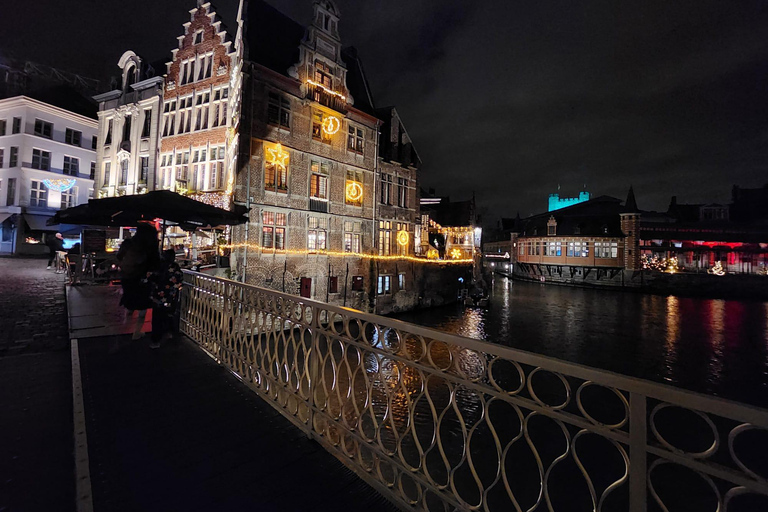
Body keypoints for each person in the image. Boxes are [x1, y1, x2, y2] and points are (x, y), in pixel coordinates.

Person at [117, 224, 160, 340]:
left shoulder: (128, 243)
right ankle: (137, 332)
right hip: (142, 278)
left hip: (127, 277)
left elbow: (119, 256)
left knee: (129, 302)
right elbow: (156, 263)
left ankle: (124, 328)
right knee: (143, 305)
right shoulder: (151, 245)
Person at [148, 249, 184, 349]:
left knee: (156, 317)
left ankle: (155, 340)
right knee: (169, 314)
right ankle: (169, 332)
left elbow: (150, 276)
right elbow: (179, 278)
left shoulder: (158, 266)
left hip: (157, 296)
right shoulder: (174, 267)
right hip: (169, 296)